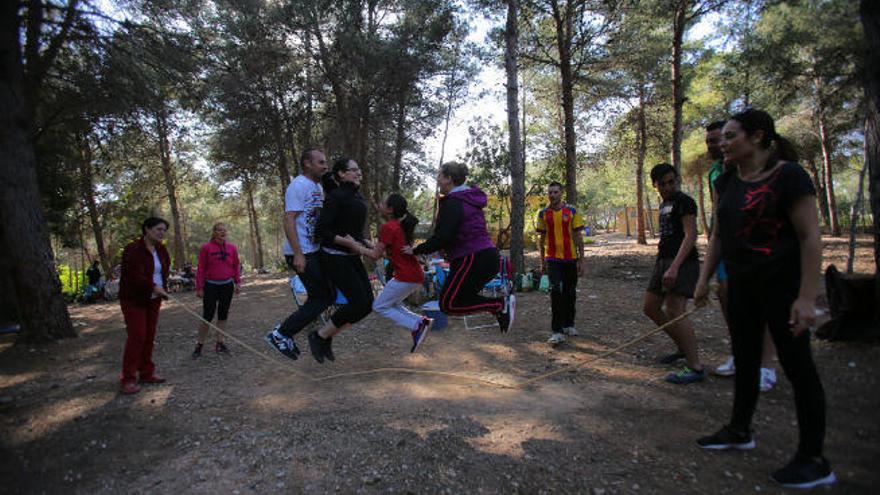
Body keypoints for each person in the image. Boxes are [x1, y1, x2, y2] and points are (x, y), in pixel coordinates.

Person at [693, 109, 834, 489]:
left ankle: (814, 458)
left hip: (783, 289)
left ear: (757, 137)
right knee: (745, 358)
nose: (723, 143)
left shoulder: (789, 176)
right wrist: (705, 280)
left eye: (731, 136)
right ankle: (740, 429)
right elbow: (719, 236)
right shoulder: (726, 182)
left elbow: (809, 237)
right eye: (722, 137)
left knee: (797, 366)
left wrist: (807, 298)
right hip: (741, 287)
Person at [706, 121, 777, 392]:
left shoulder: (768, 171)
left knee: (763, 304)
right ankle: (741, 354)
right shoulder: (718, 173)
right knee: (729, 300)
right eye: (711, 141)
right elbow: (718, 216)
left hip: (759, 249)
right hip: (728, 246)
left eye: (720, 139)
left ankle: (767, 365)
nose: (715, 145)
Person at [406, 161, 514, 333]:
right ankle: (499, 307)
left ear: (449, 178)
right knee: (460, 299)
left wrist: (416, 250)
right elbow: (451, 234)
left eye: (440, 176)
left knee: (449, 303)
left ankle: (499, 304)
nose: (438, 180)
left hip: (473, 257)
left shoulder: (454, 201)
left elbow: (443, 236)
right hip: (484, 257)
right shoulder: (467, 199)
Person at [340, 193, 432, 353]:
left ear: (390, 209)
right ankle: (421, 322)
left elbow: (375, 256)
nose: (379, 205)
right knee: (393, 303)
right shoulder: (398, 226)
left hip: (406, 276)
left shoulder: (388, 227)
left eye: (382, 203)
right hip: (413, 275)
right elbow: (388, 253)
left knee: (379, 306)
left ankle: (416, 326)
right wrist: (367, 244)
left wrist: (354, 246)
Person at [305, 157, 375, 363]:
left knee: (367, 305)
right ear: (341, 174)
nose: (358, 172)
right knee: (358, 303)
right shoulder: (335, 197)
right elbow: (322, 231)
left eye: (359, 169)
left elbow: (350, 229)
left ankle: (324, 337)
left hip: (352, 255)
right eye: (353, 170)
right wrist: (349, 244)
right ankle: (319, 336)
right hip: (334, 257)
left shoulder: (356, 195)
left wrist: (364, 242)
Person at [265, 149, 331, 360]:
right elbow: (288, 219)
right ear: (307, 164)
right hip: (302, 252)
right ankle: (281, 333)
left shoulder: (318, 187)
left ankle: (291, 334)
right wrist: (298, 254)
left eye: (325, 162)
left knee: (325, 295)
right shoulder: (298, 186)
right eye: (320, 162)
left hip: (314, 250)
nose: (325, 166)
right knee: (321, 297)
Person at [642, 163, 704, 384]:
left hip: (683, 262)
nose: (668, 187)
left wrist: (675, 266)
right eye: (663, 183)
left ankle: (695, 366)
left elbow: (690, 236)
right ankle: (682, 347)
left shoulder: (685, 202)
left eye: (672, 181)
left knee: (675, 309)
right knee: (650, 306)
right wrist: (663, 265)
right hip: (663, 260)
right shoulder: (664, 204)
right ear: (654, 185)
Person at [118, 217, 171, 395]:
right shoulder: (133, 249)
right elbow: (132, 275)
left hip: (153, 299)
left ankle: (147, 372)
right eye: (158, 229)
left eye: (164, 230)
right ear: (147, 229)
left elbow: (164, 271)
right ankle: (128, 378)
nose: (161, 233)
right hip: (134, 299)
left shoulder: (161, 250)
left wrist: (162, 289)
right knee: (137, 336)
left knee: (149, 336)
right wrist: (153, 286)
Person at [537, 181, 585, 345]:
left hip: (570, 258)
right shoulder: (543, 213)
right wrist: (541, 261)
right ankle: (556, 331)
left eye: (556, 192)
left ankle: (569, 324)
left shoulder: (571, 211)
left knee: (570, 293)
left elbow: (579, 237)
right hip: (552, 259)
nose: (552, 195)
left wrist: (582, 260)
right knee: (555, 291)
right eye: (550, 192)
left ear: (561, 193)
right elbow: (541, 238)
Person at [192, 223, 241, 358]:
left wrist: (238, 282)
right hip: (211, 285)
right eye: (219, 230)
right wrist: (199, 287)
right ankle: (199, 345)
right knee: (208, 315)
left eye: (224, 230)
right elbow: (201, 268)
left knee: (223, 314)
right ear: (214, 232)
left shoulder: (232, 248)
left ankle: (220, 343)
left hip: (227, 285)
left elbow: (236, 266)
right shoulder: (206, 248)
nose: (222, 232)